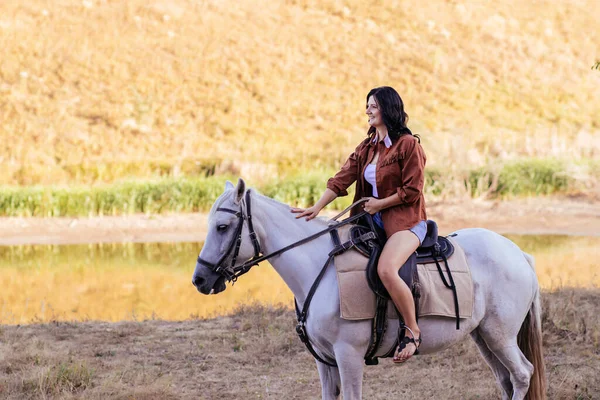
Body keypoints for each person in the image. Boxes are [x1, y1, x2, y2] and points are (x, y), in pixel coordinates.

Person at [291, 86, 427, 363]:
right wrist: (317, 207)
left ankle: (412, 330)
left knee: (387, 269)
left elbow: (413, 190)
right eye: (367, 105)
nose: (367, 110)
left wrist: (379, 204)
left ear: (388, 109)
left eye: (373, 106)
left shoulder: (409, 145)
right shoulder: (367, 147)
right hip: (370, 221)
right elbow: (343, 178)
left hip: (406, 222)